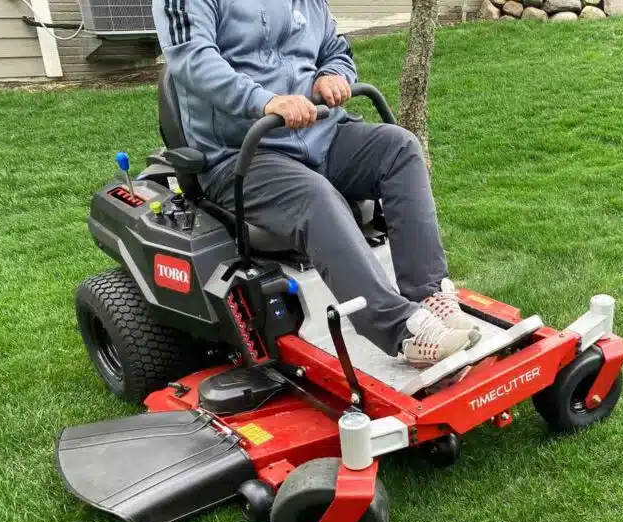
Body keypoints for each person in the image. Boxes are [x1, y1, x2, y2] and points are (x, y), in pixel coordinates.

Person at [151, 0, 479, 367]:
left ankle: (427, 294)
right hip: (243, 152)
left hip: (320, 134)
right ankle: (400, 330)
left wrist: (333, 74)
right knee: (314, 196)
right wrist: (266, 102)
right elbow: (193, 62)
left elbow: (335, 49)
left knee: (399, 148)